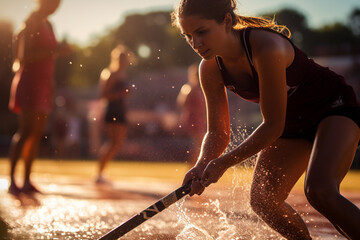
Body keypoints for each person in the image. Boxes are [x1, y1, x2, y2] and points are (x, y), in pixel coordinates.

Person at [172, 0, 360, 239]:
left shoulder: (265, 47)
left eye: (202, 32)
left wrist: (223, 163)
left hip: (333, 107)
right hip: (293, 121)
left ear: (227, 21)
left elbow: (273, 126)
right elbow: (218, 133)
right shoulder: (208, 69)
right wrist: (201, 164)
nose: (196, 44)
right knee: (263, 200)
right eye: (188, 36)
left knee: (320, 191)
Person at [8, 0, 69, 195]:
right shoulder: (32, 21)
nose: (56, 8)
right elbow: (24, 56)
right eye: (55, 3)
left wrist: (51, 82)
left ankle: (27, 180)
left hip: (43, 83)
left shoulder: (49, 24)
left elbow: (49, 56)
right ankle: (12, 181)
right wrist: (56, 50)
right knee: (25, 131)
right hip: (29, 82)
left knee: (36, 133)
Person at [95, 45, 133, 184]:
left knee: (117, 143)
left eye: (125, 59)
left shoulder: (124, 75)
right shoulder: (110, 73)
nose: (124, 61)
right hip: (112, 111)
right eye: (121, 59)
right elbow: (103, 95)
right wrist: (121, 94)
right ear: (117, 59)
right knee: (113, 142)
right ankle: (99, 173)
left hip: (121, 110)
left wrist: (125, 95)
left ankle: (101, 172)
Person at [176, 63, 206, 166]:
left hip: (200, 119)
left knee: (199, 144)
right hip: (193, 119)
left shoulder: (200, 88)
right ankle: (192, 167)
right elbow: (182, 103)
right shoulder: (189, 88)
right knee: (198, 144)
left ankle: (195, 166)